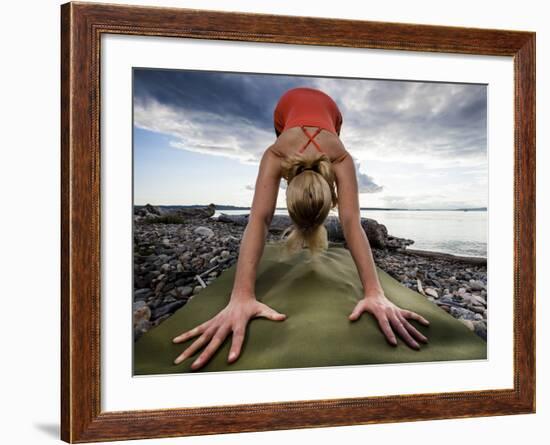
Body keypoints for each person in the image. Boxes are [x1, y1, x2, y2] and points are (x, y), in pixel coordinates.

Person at [172, 86, 430, 370]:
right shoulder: (282, 152)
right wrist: (241, 296)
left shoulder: (333, 156)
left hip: (332, 114)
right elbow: (346, 222)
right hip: (286, 112)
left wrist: (375, 292)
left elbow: (263, 219)